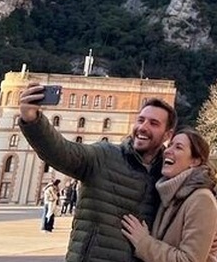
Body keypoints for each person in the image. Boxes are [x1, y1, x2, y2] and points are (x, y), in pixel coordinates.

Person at [19, 83, 176, 262]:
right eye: (140, 120)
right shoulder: (103, 155)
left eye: (154, 123)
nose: (143, 127)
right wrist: (32, 120)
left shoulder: (169, 174)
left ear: (167, 135)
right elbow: (61, 152)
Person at [121, 127, 217, 262]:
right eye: (170, 145)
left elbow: (189, 260)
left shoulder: (201, 199)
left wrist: (144, 243)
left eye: (178, 147)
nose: (168, 151)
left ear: (195, 161)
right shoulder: (169, 193)